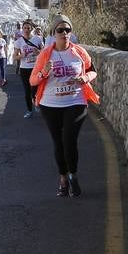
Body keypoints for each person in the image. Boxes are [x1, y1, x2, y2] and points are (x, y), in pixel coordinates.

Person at [31, 17, 100, 197]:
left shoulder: (79, 52)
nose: (64, 33)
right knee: (58, 142)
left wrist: (85, 78)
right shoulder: (45, 54)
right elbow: (33, 80)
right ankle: (63, 178)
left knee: (69, 140)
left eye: (68, 30)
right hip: (50, 104)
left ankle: (73, 176)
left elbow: (93, 71)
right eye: (60, 30)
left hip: (76, 101)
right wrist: (44, 72)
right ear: (53, 33)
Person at [14, 20, 43, 118]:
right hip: (24, 69)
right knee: (27, 91)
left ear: (32, 29)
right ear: (22, 29)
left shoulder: (37, 39)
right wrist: (21, 55)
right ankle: (29, 110)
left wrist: (38, 52)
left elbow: (44, 51)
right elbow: (14, 57)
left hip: (35, 68)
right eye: (25, 28)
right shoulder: (19, 41)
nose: (26, 30)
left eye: (28, 28)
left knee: (35, 89)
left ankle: (36, 102)